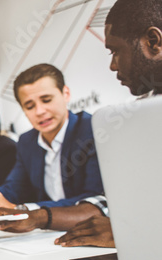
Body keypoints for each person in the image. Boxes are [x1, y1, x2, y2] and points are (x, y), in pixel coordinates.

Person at [54, 0, 162, 247]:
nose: (112, 65)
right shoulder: (142, 108)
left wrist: (136, 233)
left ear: (154, 42)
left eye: (115, 51)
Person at [0, 64, 104, 216]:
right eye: (29, 106)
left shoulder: (91, 130)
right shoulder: (27, 142)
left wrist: (26, 210)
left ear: (66, 94)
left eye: (46, 100)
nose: (40, 111)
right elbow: (12, 192)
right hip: (46, 234)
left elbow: (93, 200)